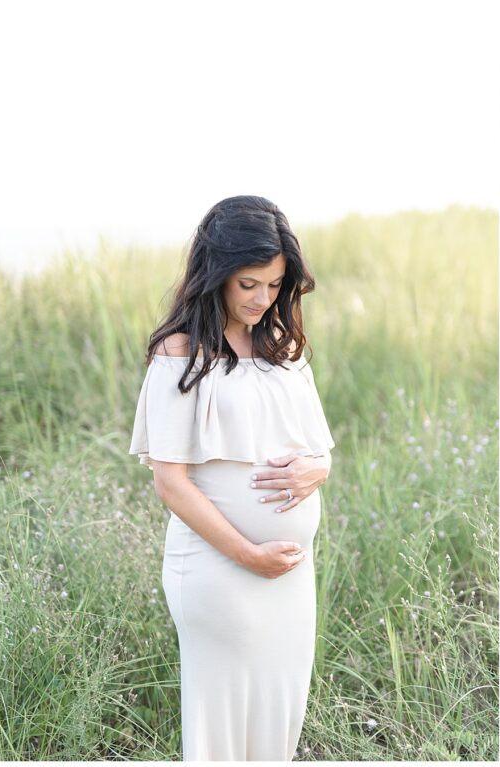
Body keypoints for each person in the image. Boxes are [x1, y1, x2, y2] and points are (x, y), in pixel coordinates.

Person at [129, 195, 336, 759]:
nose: (262, 298)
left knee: (279, 711)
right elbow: (170, 482)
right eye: (248, 284)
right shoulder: (180, 354)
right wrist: (248, 554)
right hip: (218, 569)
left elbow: (321, 451)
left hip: (291, 576)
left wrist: (318, 468)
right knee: (222, 723)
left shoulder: (283, 347)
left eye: (273, 285)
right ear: (215, 273)